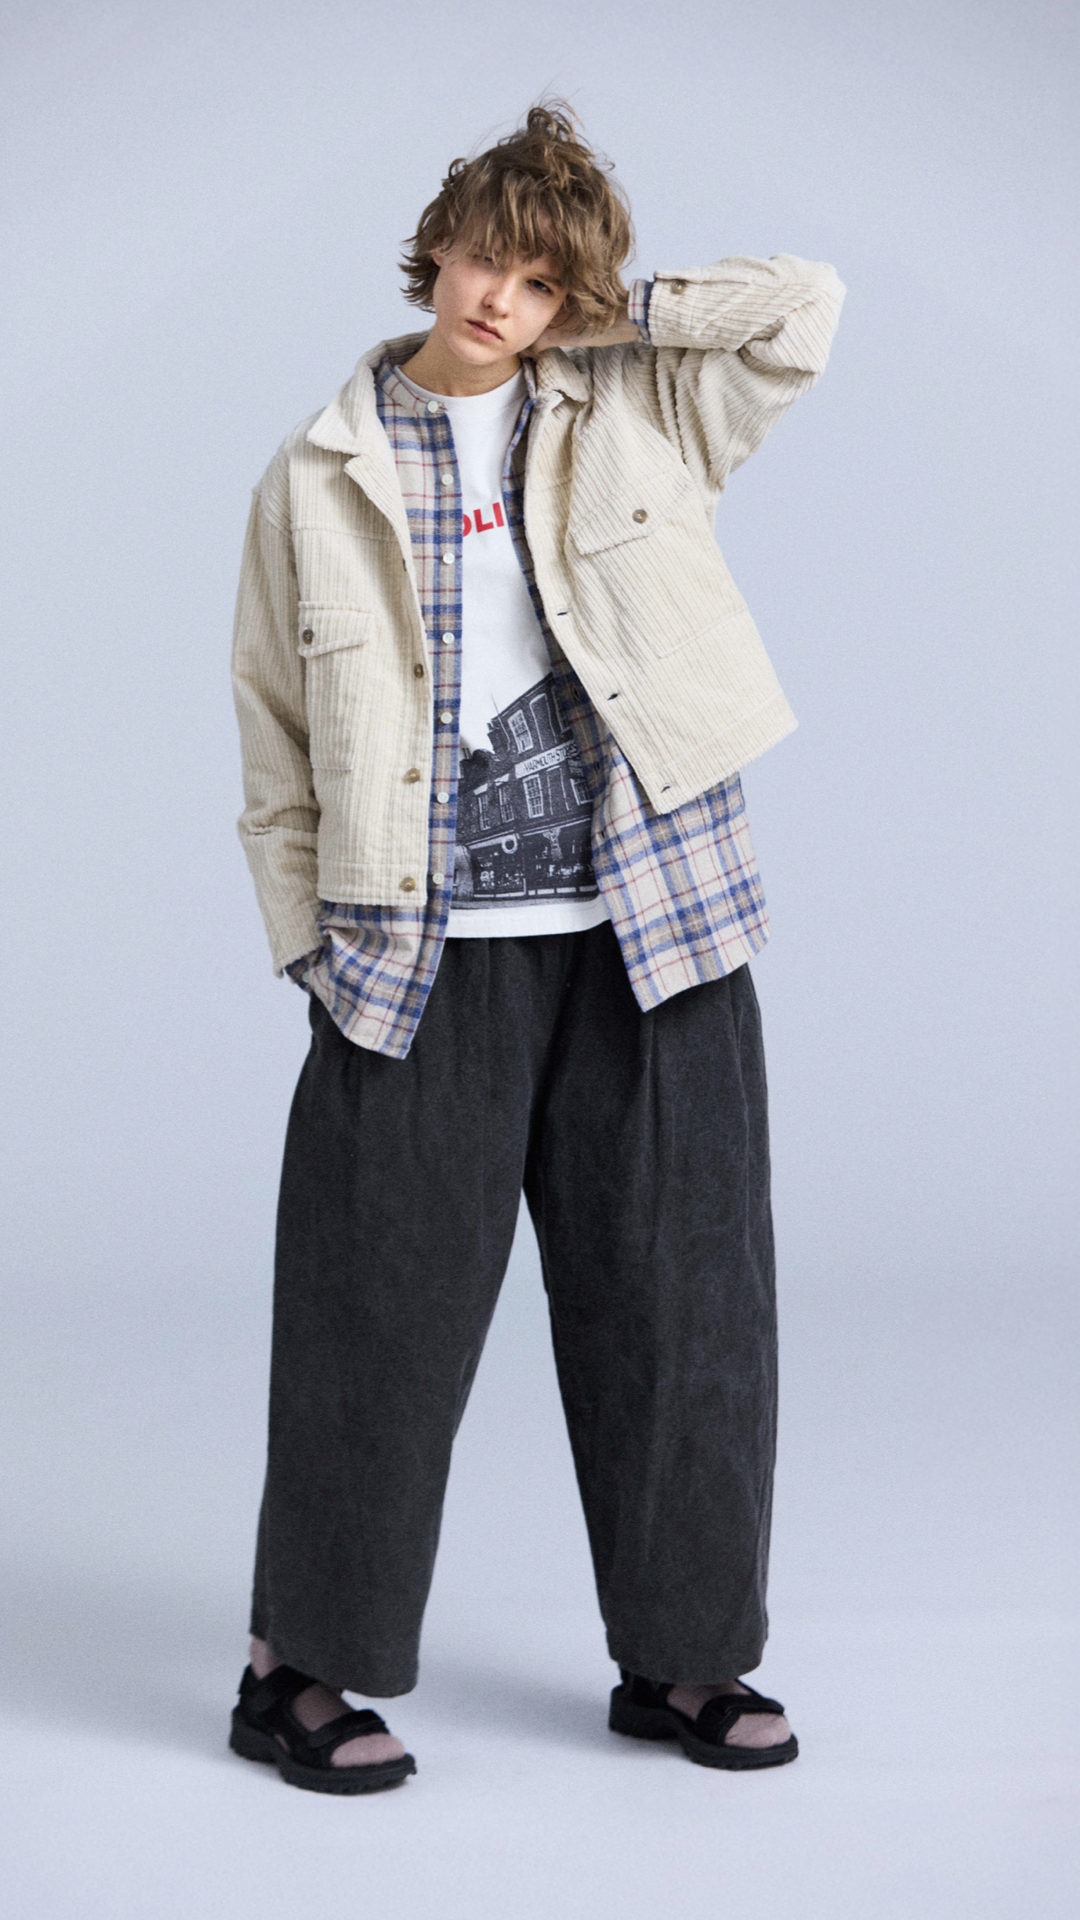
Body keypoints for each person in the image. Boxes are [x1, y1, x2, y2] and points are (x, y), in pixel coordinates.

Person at [227, 102, 844, 1794]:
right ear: (434, 246)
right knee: (375, 1314)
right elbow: (273, 733)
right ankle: (297, 1669)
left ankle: (686, 1658)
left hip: (659, 927)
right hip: (419, 950)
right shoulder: (322, 469)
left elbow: (805, 307)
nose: (500, 297)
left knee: (685, 1304)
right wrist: (312, 949)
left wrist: (615, 305)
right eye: (485, 257)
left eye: (540, 277)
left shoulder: (635, 405)